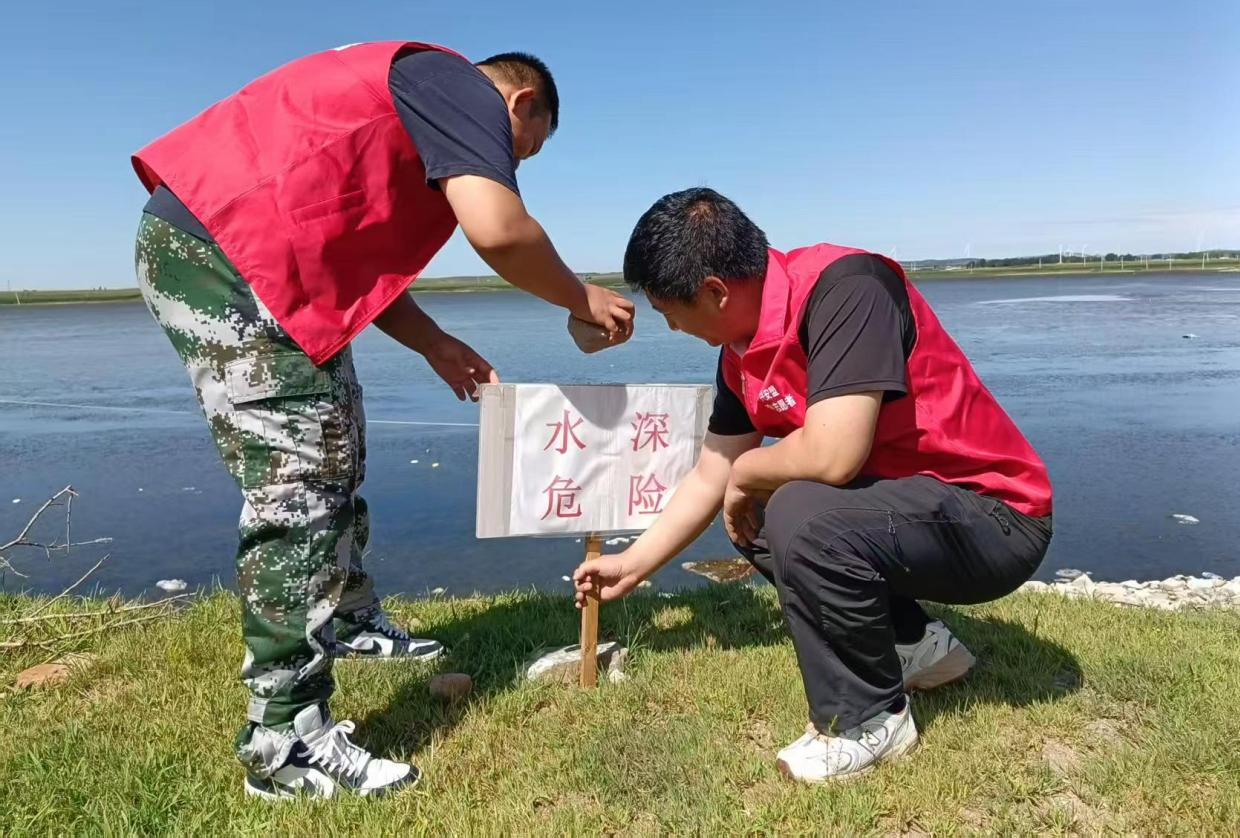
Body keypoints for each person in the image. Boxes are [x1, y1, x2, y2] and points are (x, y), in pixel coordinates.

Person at [132, 40, 634, 800]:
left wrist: (436, 344)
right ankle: (284, 740)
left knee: (336, 443)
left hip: (266, 261)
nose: (505, 163)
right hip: (225, 252)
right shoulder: (457, 85)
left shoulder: (415, 106)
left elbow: (358, 264)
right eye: (520, 151)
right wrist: (581, 296)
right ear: (520, 103)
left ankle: (349, 617)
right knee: (298, 482)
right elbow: (498, 228)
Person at [573, 188, 1051, 784]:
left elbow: (833, 454)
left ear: (716, 292)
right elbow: (712, 471)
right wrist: (633, 563)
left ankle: (869, 719)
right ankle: (915, 644)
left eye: (671, 312)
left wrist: (746, 474)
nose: (671, 327)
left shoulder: (848, 289)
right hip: (915, 513)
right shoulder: (739, 353)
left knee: (794, 506)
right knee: (759, 509)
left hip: (996, 518)